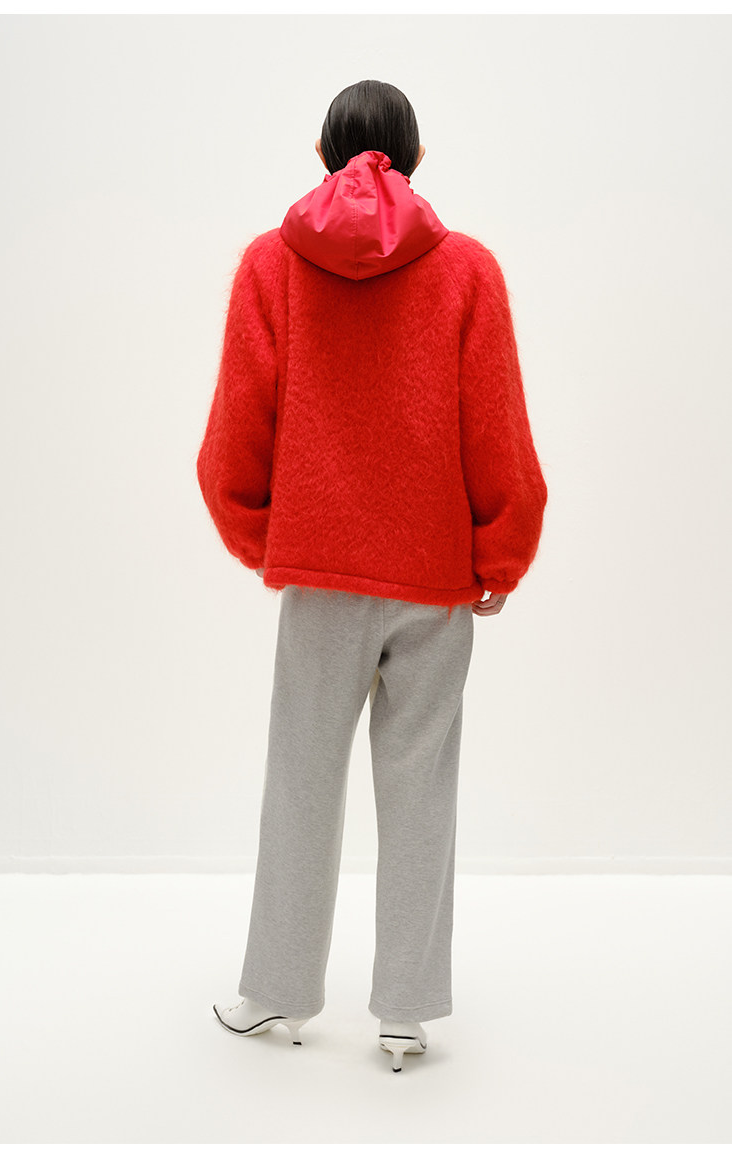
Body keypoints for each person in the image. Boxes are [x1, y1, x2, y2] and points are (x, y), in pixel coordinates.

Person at [197, 79, 548, 1073]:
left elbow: (233, 437)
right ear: (419, 157)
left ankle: (273, 993)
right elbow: (498, 429)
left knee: (301, 781)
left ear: (319, 151)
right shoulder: (468, 269)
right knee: (421, 786)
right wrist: (500, 554)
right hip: (434, 578)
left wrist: (265, 539)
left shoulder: (271, 264)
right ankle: (405, 1015)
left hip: (318, 575)